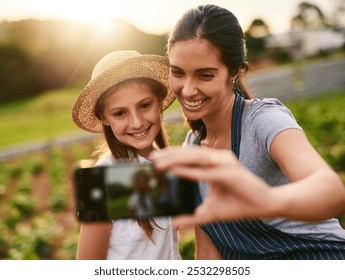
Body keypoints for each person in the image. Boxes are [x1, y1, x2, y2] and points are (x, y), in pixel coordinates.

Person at [150, 4, 345, 260]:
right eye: (177, 72)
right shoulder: (192, 150)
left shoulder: (263, 120)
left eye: (204, 75)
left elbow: (330, 191)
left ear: (235, 72)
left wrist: (265, 199)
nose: (187, 90)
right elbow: (208, 258)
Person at [72, 50, 180, 259]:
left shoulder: (168, 165)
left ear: (159, 102)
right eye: (120, 113)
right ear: (104, 117)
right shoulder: (103, 182)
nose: (137, 122)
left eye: (144, 105)